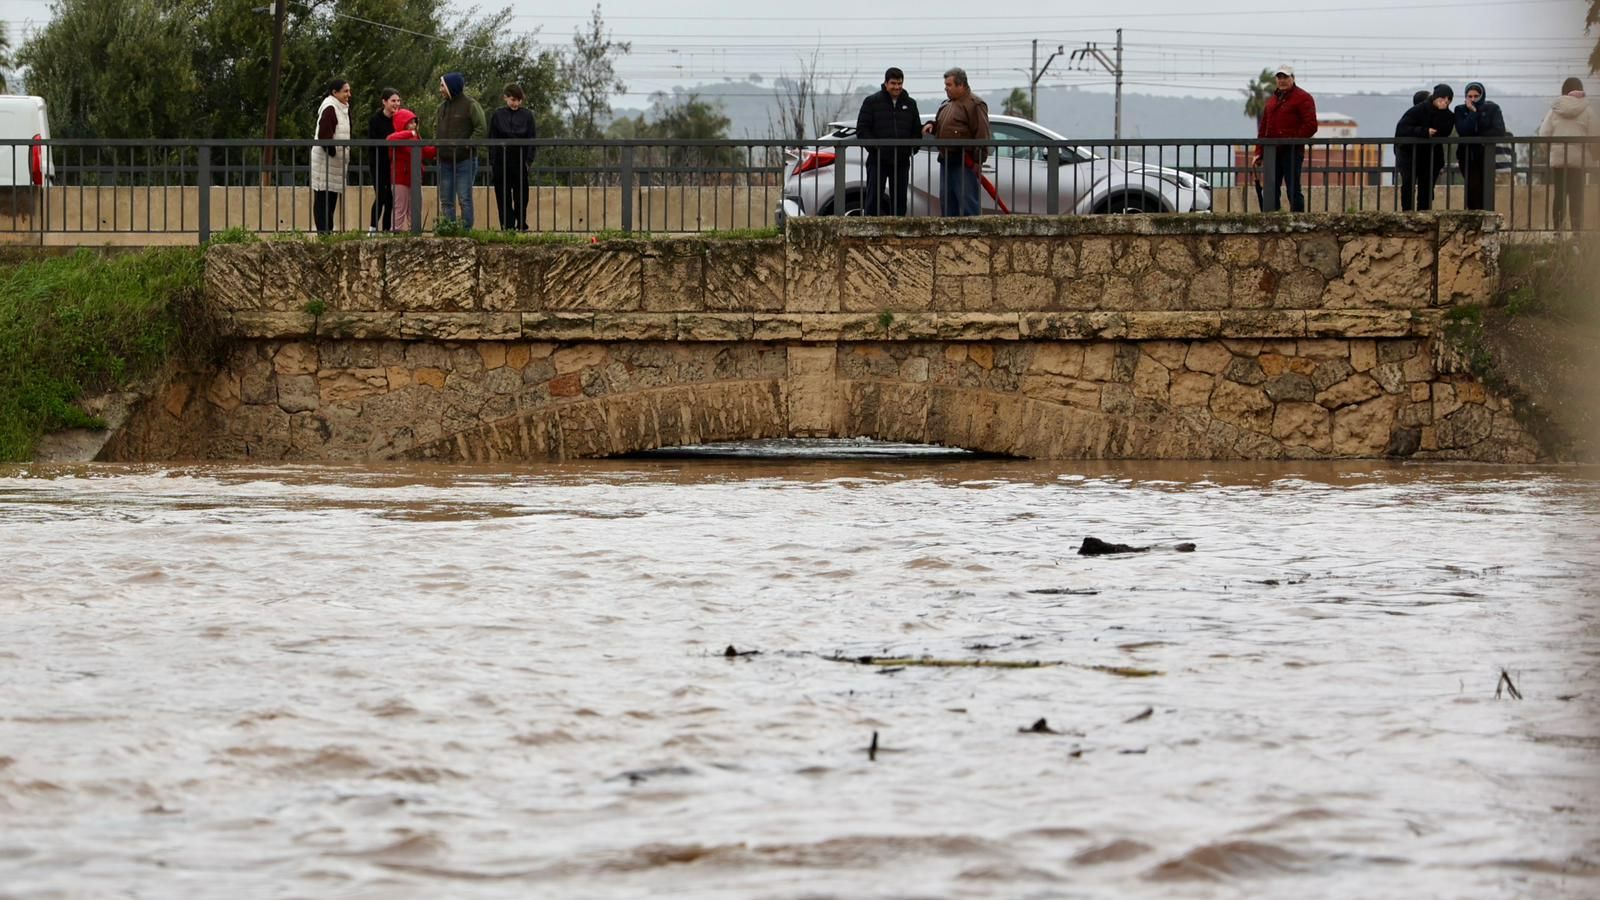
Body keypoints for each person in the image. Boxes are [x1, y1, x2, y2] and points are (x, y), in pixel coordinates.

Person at [922, 67, 990, 217]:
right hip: (946, 160)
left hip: (965, 161)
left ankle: (974, 236)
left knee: (968, 203)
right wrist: (932, 126)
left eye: (949, 85)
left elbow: (982, 134)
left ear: (961, 85)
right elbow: (942, 125)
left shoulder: (975, 104)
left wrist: (978, 161)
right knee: (947, 202)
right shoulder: (946, 104)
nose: (946, 88)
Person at [855, 66, 922, 216]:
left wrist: (911, 149)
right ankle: (869, 229)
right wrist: (876, 148)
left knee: (900, 199)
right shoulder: (871, 102)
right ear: (886, 83)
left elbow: (916, 130)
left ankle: (899, 233)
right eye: (893, 83)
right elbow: (863, 129)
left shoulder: (910, 104)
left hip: (902, 160)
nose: (897, 87)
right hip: (877, 159)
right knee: (873, 198)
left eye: (899, 83)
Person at [1253, 65, 1317, 212]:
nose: (1282, 81)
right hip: (1272, 151)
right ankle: (1271, 219)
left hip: (1292, 151)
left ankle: (1298, 219)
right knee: (1271, 189)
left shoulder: (1303, 98)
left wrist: (1291, 139)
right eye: (1279, 77)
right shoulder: (1272, 101)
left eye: (1285, 77)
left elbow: (1311, 125)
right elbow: (1263, 129)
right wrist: (1259, 152)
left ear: (1292, 79)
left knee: (1293, 189)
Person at [1536, 77, 1596, 231]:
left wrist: (1550, 152)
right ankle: (1577, 233)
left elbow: (1544, 134)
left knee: (1560, 196)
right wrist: (1594, 155)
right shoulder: (1587, 109)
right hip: (1580, 161)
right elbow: (1596, 135)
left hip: (1559, 160)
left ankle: (1558, 232)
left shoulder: (1555, 110)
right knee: (1577, 196)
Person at [435, 71, 486, 227]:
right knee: (446, 200)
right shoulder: (441, 107)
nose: (440, 89)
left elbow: (481, 128)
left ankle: (466, 232)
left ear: (451, 86)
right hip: (444, 161)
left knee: (464, 198)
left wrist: (467, 145)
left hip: (465, 160)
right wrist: (437, 146)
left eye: (442, 85)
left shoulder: (471, 105)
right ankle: (449, 231)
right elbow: (436, 128)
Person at [1394, 84, 1455, 211]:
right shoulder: (1418, 110)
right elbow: (1403, 128)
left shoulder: (1448, 115)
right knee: (1408, 186)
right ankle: (1407, 215)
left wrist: (1442, 112)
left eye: (1448, 99)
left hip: (1431, 157)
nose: (1445, 101)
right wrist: (1423, 131)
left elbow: (1445, 131)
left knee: (1426, 188)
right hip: (1410, 155)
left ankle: (1425, 216)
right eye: (1442, 98)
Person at [488, 82, 537, 231]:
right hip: (501, 160)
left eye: (518, 100)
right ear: (506, 98)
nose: (516, 103)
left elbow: (532, 139)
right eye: (513, 100)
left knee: (521, 196)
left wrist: (528, 162)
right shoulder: (497, 115)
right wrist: (493, 161)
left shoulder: (527, 115)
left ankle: (521, 223)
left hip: (520, 160)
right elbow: (492, 139)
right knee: (503, 196)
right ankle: (507, 226)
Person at [1454, 81, 1508, 211]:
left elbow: (1499, 130)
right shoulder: (1460, 110)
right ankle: (1473, 220)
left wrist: (1479, 136)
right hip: (1466, 156)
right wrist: (1473, 113)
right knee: (1472, 188)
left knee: (1485, 188)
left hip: (1485, 155)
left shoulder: (1492, 109)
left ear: (1482, 95)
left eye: (1476, 96)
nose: (1473, 99)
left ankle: (1485, 218)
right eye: (1470, 96)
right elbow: (1463, 131)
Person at [310, 78, 352, 234]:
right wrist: (334, 152)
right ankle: (324, 234)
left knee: (330, 199)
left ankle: (327, 232)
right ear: (335, 92)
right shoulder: (330, 108)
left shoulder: (341, 108)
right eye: (345, 91)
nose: (349, 94)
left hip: (334, 163)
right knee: (323, 200)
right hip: (326, 162)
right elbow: (324, 136)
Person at [386, 109, 436, 233]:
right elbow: (390, 139)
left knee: (415, 208)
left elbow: (426, 152)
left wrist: (437, 146)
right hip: (400, 179)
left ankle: (414, 231)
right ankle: (396, 231)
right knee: (400, 207)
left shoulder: (416, 139)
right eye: (410, 122)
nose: (414, 125)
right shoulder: (400, 137)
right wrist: (410, 133)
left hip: (414, 178)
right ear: (402, 123)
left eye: (415, 123)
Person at [367, 87, 401, 233]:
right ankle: (373, 228)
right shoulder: (375, 120)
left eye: (398, 101)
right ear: (384, 102)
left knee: (391, 199)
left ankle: (387, 229)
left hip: (393, 164)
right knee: (381, 195)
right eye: (393, 101)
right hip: (378, 163)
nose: (396, 104)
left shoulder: (399, 119)